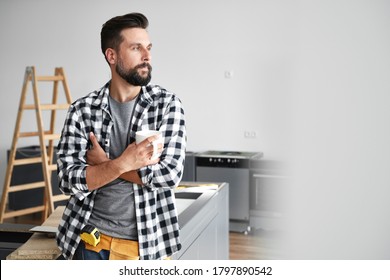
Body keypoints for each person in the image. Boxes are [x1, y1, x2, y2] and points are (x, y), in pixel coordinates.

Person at [56, 12, 186, 260]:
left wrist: (106, 164)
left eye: (148, 48)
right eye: (136, 48)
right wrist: (127, 163)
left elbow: (169, 176)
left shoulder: (167, 106)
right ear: (111, 56)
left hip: (146, 247)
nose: (147, 56)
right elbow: (67, 180)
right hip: (88, 242)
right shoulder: (82, 110)